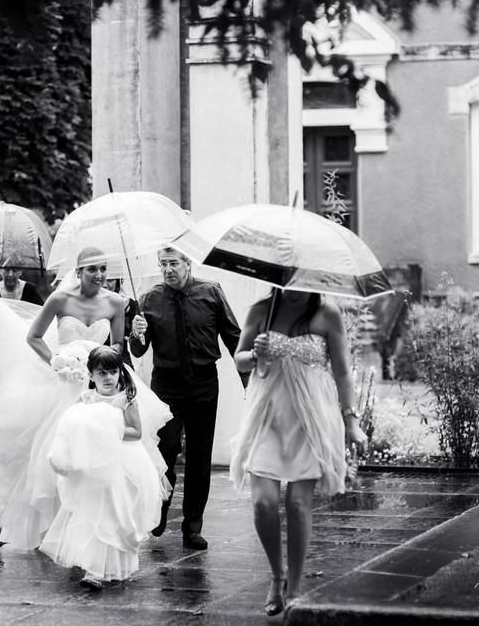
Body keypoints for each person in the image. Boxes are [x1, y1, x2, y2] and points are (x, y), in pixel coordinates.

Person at [0, 246, 169, 551]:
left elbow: (115, 348)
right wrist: (56, 362)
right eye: (92, 270)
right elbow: (33, 336)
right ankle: (58, 527)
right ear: (79, 272)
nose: (99, 276)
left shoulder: (115, 302)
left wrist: (102, 371)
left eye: (102, 270)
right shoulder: (60, 300)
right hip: (64, 383)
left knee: (102, 449)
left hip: (99, 383)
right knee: (56, 453)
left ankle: (97, 523)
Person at [230, 288, 368, 615]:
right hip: (266, 416)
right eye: (289, 283)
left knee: (296, 504)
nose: (296, 291)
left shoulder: (328, 314)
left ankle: (294, 583)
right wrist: (254, 354)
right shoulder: (261, 309)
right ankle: (275, 576)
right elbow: (239, 357)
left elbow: (342, 371)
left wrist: (351, 421)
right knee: (263, 503)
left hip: (311, 419)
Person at [129, 246, 246, 550]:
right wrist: (137, 334)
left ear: (187, 263)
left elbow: (234, 338)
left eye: (173, 263)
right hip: (166, 385)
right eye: (163, 264)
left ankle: (192, 526)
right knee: (165, 448)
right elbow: (138, 350)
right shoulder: (150, 299)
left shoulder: (211, 292)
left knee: (199, 454)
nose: (168, 270)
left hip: (204, 382)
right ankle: (161, 507)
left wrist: (250, 382)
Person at [40, 347, 168, 589]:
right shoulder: (85, 400)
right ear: (91, 375)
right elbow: (73, 428)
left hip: (122, 463)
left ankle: (118, 565)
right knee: (93, 513)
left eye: (113, 371)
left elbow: (136, 432)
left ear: (120, 372)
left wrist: (108, 430)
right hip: (92, 466)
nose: (108, 378)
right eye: (102, 373)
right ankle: (94, 569)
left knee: (117, 513)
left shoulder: (126, 399)